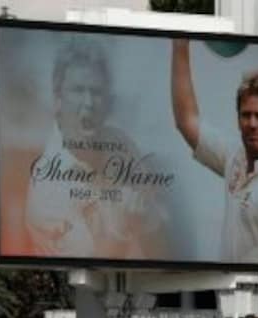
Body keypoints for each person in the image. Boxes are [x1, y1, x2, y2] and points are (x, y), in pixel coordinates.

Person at [24, 40, 166, 260]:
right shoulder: (47, 191)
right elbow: (91, 268)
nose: (89, 102)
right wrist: (124, 228)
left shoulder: (121, 143)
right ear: (58, 98)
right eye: (78, 90)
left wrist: (148, 219)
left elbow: (159, 241)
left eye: (97, 91)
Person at [171, 39, 258, 266]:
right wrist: (179, 46)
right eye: (246, 114)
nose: (252, 123)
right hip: (231, 293)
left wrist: (246, 281)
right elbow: (186, 121)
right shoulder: (235, 156)